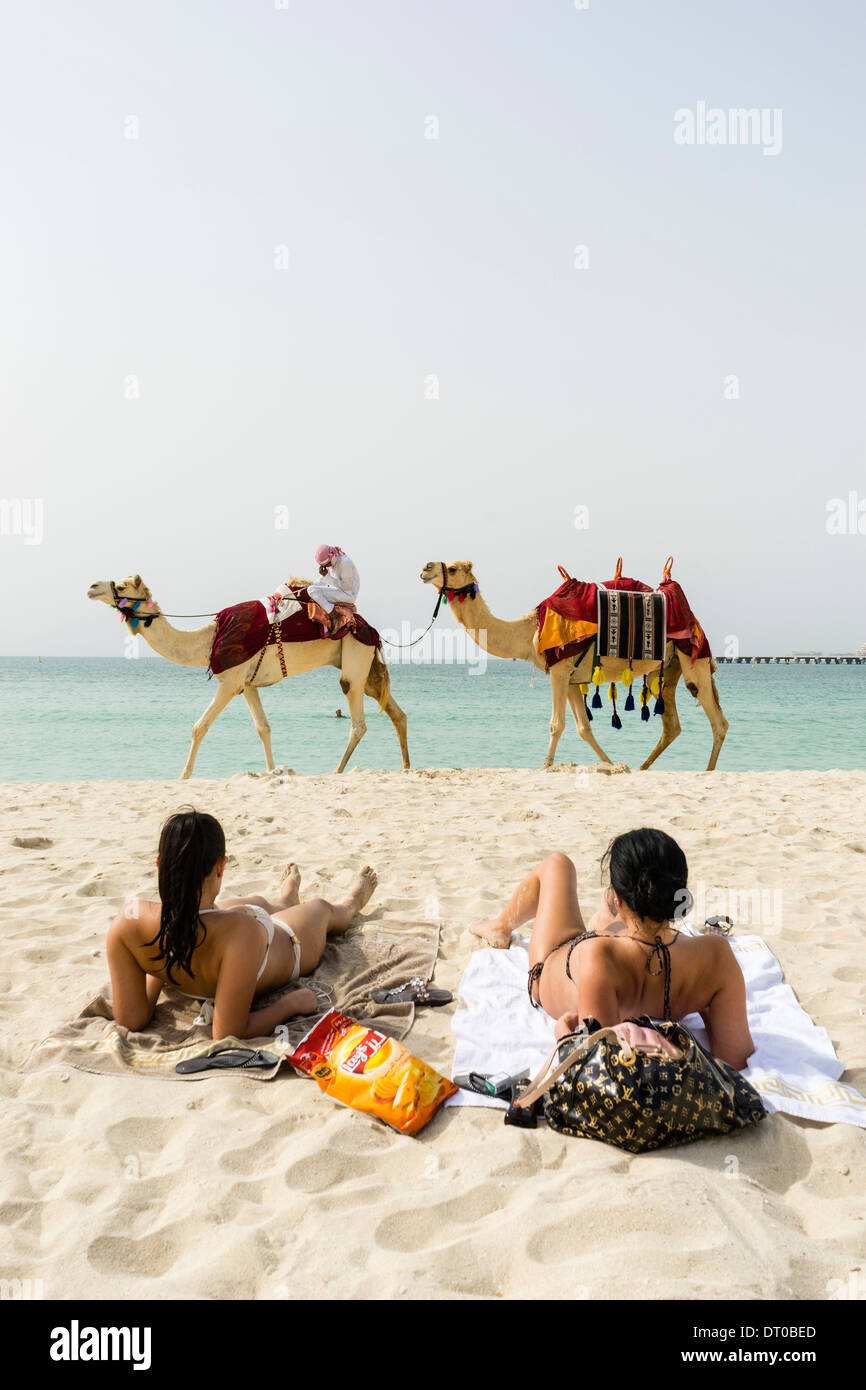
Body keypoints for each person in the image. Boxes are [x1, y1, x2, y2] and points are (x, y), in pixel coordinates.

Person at [471, 828, 754, 1070]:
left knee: (558, 865)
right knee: (627, 934)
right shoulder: (717, 954)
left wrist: (562, 1034)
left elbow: (599, 1066)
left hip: (555, 963)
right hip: (624, 957)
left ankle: (501, 926)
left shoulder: (599, 956)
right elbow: (736, 1059)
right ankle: (608, 921)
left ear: (620, 900)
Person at [106, 808, 377, 1041]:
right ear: (220, 868)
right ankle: (352, 901)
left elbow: (131, 1019)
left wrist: (159, 961)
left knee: (250, 904)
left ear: (159, 864)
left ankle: (287, 897)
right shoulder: (241, 931)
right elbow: (227, 1033)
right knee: (321, 909)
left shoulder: (128, 921)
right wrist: (290, 1003)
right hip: (285, 944)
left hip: (213, 928)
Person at [307, 544, 360, 632]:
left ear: (330, 557)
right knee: (311, 588)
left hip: (348, 595)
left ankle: (333, 613)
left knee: (312, 590)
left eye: (325, 564)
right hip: (341, 591)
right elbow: (324, 581)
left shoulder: (344, 563)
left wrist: (327, 577)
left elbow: (347, 586)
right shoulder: (335, 560)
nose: (325, 566)